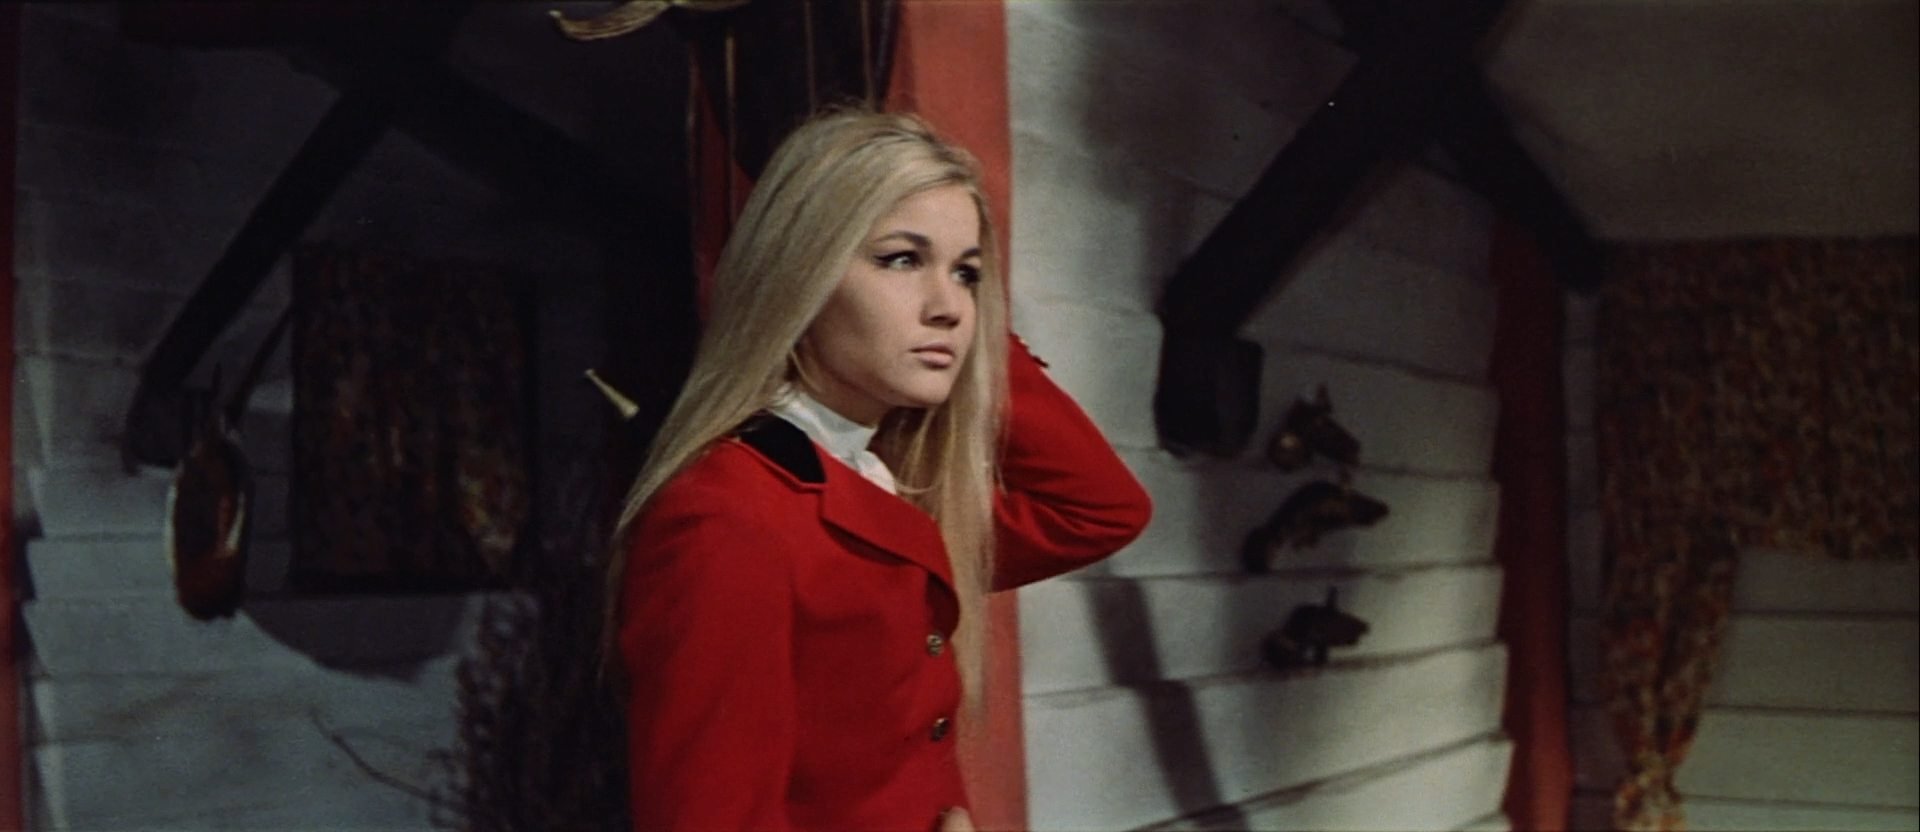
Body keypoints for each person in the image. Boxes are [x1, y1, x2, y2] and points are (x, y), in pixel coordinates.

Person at [611, 108, 1151, 832]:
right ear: (799, 274)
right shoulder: (730, 515)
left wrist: (979, 340)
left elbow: (1100, 510)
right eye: (901, 260)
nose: (948, 308)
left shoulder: (878, 481)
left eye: (967, 273)